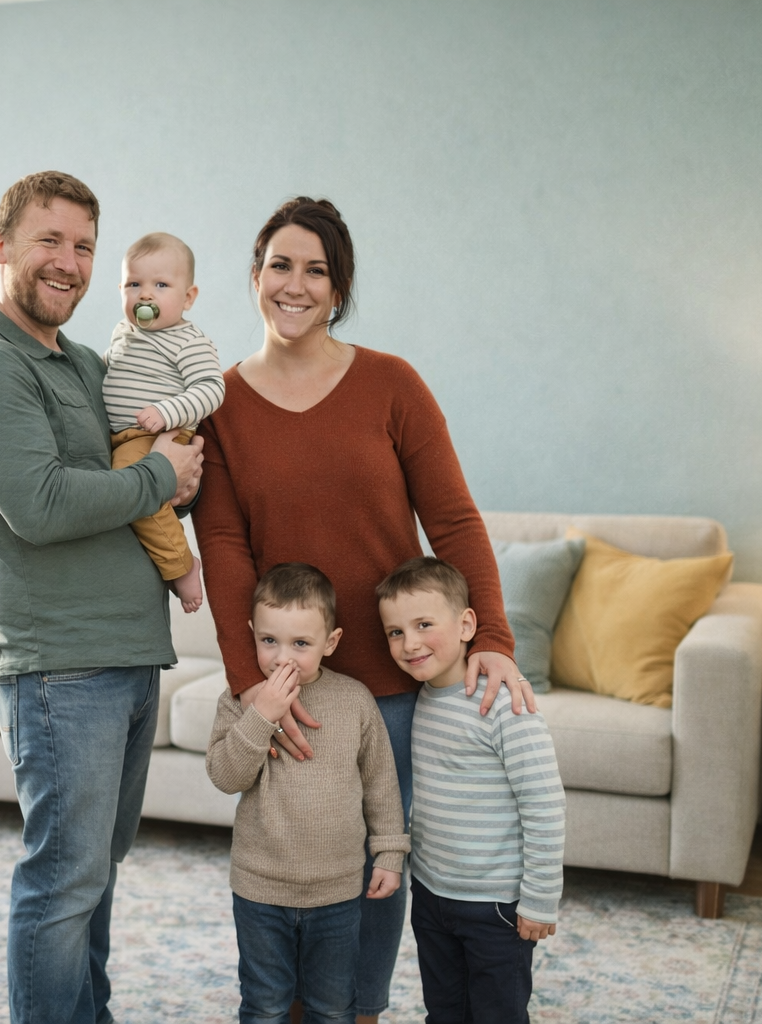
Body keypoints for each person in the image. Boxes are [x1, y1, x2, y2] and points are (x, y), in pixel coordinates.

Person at [192, 196, 537, 1023]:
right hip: (289, 683)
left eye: (317, 269)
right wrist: (254, 688)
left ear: (339, 289)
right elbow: (226, 551)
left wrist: (490, 635)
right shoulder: (221, 404)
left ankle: (361, 1012)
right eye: (280, 264)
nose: (296, 283)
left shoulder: (391, 384)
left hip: (392, 684)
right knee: (291, 863)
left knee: (381, 862)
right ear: (253, 276)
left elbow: (453, 519)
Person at [0, 170, 204, 1024]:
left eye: (84, 246)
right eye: (49, 240)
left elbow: (138, 462)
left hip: (126, 651)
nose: (70, 262)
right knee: (62, 882)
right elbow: (44, 506)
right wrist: (163, 473)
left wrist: (175, 476)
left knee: (95, 875)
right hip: (60, 667)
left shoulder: (86, 362)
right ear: (1, 246)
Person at [206, 563, 410, 1024]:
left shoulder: (354, 700)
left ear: (330, 643)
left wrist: (390, 854)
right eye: (269, 641)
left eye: (301, 644)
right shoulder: (239, 699)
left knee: (334, 1007)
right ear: (252, 634)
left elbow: (381, 784)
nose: (283, 658)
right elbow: (225, 775)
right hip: (260, 891)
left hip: (338, 893)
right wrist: (262, 715)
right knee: (264, 1005)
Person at [377, 557, 564, 1024]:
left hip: (496, 905)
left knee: (497, 1013)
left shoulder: (502, 701)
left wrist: (540, 899)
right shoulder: (419, 699)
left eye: (423, 624)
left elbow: (543, 803)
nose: (409, 642)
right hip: (433, 895)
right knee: (443, 1010)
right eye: (395, 632)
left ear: (466, 625)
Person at [102, 231, 225, 613]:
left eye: (160, 285)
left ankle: (182, 565)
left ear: (188, 297)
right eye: (134, 284)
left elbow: (211, 388)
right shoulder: (125, 332)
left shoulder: (187, 340)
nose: (145, 295)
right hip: (122, 434)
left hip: (159, 434)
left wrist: (168, 412)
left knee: (133, 481)